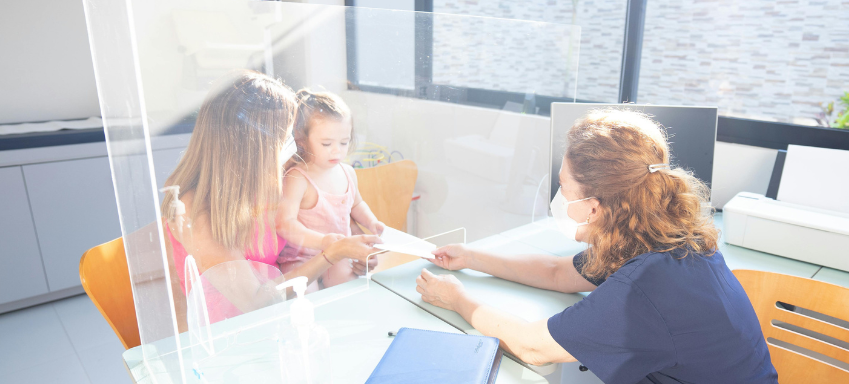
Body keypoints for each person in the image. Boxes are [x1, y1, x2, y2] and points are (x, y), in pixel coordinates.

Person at [415, 109, 778, 383]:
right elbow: (557, 273)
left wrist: (456, 299)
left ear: (594, 206)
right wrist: (473, 257)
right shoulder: (656, 237)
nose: (558, 198)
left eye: (564, 187)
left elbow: (531, 346)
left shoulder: (647, 287)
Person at [161, 71, 380, 323]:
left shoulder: (266, 180)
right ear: (253, 142)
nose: (294, 144)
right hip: (232, 334)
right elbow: (255, 301)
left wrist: (353, 253)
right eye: (285, 135)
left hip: (282, 315)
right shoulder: (193, 207)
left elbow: (320, 223)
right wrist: (332, 254)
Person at [276, 89, 385, 291]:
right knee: (304, 294)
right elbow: (284, 224)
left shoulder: (348, 173)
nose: (337, 150)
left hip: (339, 254)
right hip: (301, 258)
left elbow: (357, 205)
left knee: (347, 289)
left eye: (344, 142)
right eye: (327, 143)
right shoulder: (298, 177)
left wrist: (371, 222)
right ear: (302, 140)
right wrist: (323, 241)